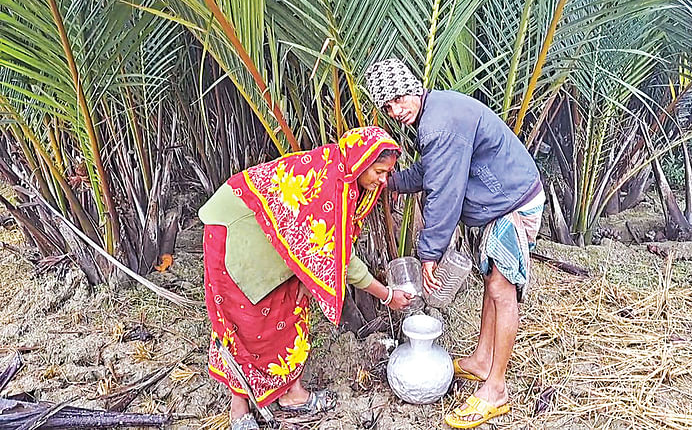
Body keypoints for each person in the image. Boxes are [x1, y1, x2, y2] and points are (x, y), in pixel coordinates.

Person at [365, 59, 545, 429]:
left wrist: (429, 252)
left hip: (512, 202)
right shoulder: (434, 115)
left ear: (414, 88)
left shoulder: (440, 123)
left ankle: (495, 390)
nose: (397, 110)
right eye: (388, 106)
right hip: (501, 202)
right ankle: (482, 361)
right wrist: (393, 182)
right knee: (493, 285)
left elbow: (444, 192)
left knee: (501, 289)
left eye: (400, 98)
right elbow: (430, 170)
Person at [199, 126, 412, 430]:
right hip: (236, 230)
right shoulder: (330, 185)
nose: (383, 180)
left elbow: (320, 246)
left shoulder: (345, 176)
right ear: (360, 161)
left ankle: (291, 395)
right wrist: (387, 296)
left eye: (387, 173)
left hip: (275, 240)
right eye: (379, 171)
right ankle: (240, 407)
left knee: (291, 311)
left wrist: (305, 273)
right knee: (244, 322)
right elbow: (341, 259)